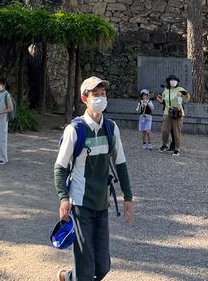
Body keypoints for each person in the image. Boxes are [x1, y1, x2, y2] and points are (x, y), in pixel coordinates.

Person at [54, 76, 134, 281]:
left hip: (101, 203)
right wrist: (63, 198)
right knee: (86, 268)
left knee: (103, 266)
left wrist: (128, 198)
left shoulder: (111, 128)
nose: (100, 98)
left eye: (103, 94)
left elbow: (120, 164)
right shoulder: (75, 130)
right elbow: (60, 167)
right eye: (95, 95)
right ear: (84, 99)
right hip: (80, 203)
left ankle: (68, 277)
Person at [156, 73, 190, 156]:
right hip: (167, 112)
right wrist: (160, 101)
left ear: (177, 82)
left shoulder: (180, 89)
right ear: (168, 81)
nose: (173, 82)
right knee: (164, 130)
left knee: (176, 132)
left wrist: (182, 94)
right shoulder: (166, 90)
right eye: (171, 80)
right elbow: (164, 100)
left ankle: (177, 149)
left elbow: (188, 97)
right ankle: (165, 144)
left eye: (175, 80)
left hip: (177, 113)